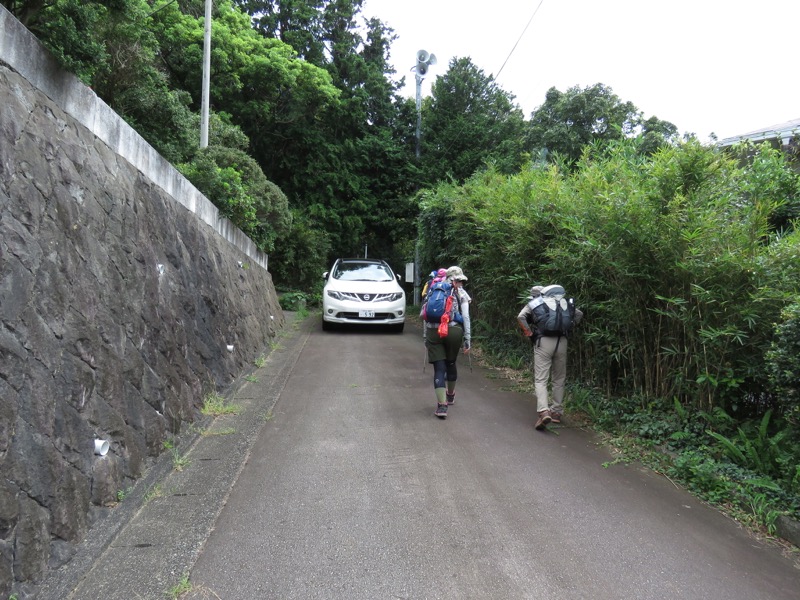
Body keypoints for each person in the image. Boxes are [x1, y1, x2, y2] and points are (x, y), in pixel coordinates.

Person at [517, 285, 583, 430]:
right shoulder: (562, 302)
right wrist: (569, 327)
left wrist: (529, 333)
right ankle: (557, 412)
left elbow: (521, 317)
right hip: (562, 342)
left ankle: (543, 411)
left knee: (541, 379)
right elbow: (578, 314)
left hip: (544, 342)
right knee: (559, 378)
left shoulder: (535, 303)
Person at [425, 266, 472, 418]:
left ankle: (441, 406)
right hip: (453, 331)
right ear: (456, 279)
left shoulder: (433, 288)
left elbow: (424, 314)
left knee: (439, 367)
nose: (461, 284)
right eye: (460, 281)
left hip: (433, 331)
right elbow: (465, 317)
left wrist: (426, 336)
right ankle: (450, 395)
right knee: (450, 363)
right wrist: (467, 338)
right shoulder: (461, 293)